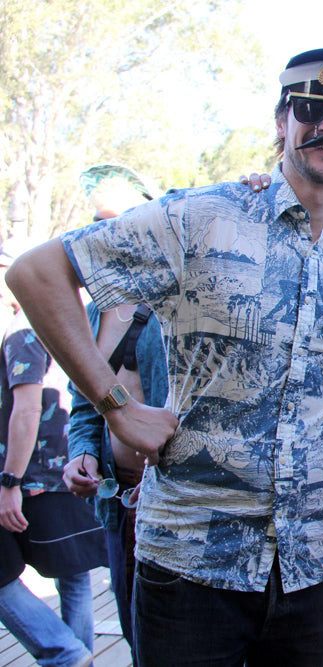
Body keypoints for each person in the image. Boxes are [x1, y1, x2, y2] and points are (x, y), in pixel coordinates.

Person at [6, 48, 323, 666]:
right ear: (282, 121)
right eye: (311, 108)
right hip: (192, 562)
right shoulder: (198, 219)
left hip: (315, 565)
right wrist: (113, 408)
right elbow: (36, 274)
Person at [60, 164, 167, 660]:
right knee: (132, 632)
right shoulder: (94, 310)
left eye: (122, 219)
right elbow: (83, 404)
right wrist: (80, 454)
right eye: (100, 221)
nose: (110, 233)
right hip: (117, 502)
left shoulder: (181, 301)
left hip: (174, 504)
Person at [0, 238, 107, 667]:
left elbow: (26, 410)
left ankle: (66, 655)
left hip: (33, 477)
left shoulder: (25, 331)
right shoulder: (70, 323)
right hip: (65, 468)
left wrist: (10, 481)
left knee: (66, 572)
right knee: (73, 573)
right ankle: (77, 656)